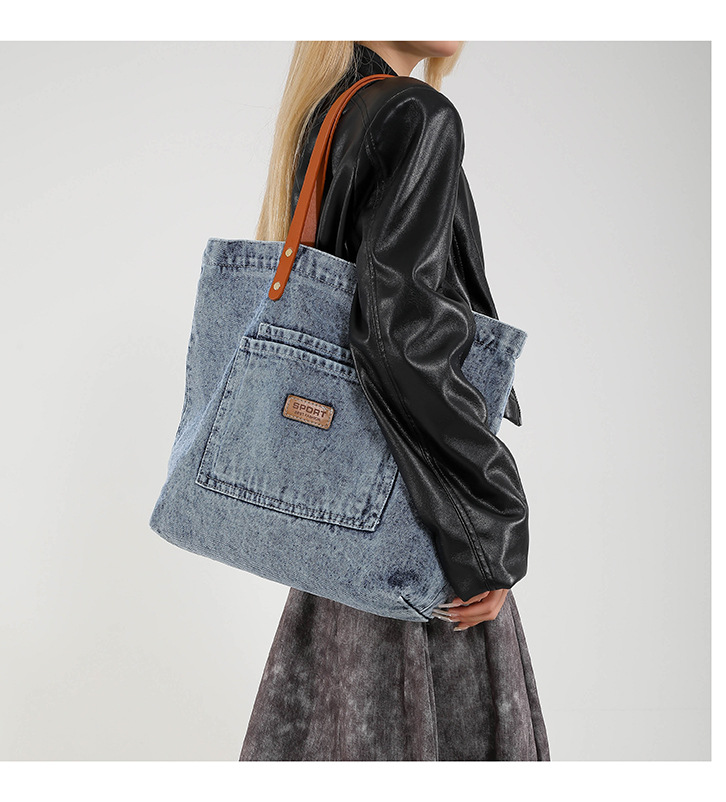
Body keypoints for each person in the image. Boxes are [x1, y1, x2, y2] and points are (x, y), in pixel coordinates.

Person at [238, 40, 550, 761]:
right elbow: (399, 335)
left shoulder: (327, 114)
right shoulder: (415, 114)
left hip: (342, 526)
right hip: (419, 512)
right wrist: (490, 517)